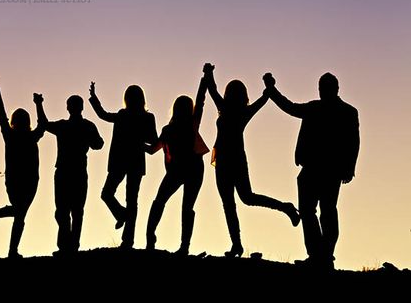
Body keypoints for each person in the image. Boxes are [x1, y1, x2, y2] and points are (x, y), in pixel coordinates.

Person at [263, 72, 360, 270]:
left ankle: (322, 257)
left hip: (326, 171)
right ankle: (320, 256)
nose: (322, 91)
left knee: (323, 212)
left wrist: (350, 167)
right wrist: (271, 90)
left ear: (334, 89)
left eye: (324, 88)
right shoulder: (338, 111)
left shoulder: (343, 112)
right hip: (316, 170)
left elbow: (353, 143)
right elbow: (289, 107)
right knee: (314, 212)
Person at [203, 65, 300, 258]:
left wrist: (209, 74)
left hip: (231, 159)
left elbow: (214, 90)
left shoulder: (234, 110)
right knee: (233, 201)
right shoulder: (233, 110)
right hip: (223, 159)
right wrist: (269, 85)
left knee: (242, 199)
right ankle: (237, 245)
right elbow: (214, 90)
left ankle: (285, 208)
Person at [145, 65, 210, 256]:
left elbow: (151, 150)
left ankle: (152, 238)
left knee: (160, 201)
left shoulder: (170, 129)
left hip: (182, 170)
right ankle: (183, 246)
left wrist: (134, 142)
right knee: (184, 206)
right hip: (193, 168)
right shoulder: (188, 125)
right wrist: (205, 79)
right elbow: (201, 101)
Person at [0, 77, 46, 259]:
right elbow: (42, 125)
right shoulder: (24, 137)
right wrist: (38, 104)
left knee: (19, 212)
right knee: (20, 213)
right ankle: (11, 251)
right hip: (26, 182)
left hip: (22, 181)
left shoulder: (13, 136)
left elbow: (41, 125)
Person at [89, 82, 158, 250]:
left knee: (110, 194)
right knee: (124, 199)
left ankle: (126, 235)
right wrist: (94, 98)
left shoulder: (128, 116)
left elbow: (103, 115)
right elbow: (154, 140)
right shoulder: (143, 117)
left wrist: (94, 97)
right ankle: (123, 218)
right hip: (129, 162)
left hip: (122, 161)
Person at [43, 94, 104, 257]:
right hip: (77, 172)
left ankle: (67, 246)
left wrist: (39, 105)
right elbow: (99, 144)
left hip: (65, 172)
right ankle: (71, 245)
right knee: (75, 211)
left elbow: (44, 124)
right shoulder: (87, 126)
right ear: (82, 107)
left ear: (68, 107)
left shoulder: (64, 126)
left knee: (64, 211)